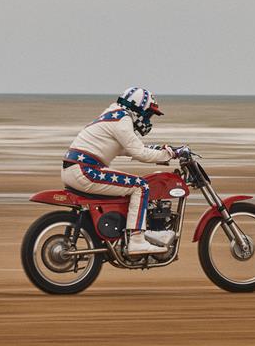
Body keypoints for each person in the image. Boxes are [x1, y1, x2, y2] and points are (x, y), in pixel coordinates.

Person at [61, 87, 185, 255]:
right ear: (138, 107)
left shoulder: (114, 115)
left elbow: (129, 148)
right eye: (148, 113)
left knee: (130, 188)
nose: (148, 119)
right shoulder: (123, 120)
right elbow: (139, 152)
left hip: (75, 169)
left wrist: (164, 151)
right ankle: (136, 240)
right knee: (141, 186)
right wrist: (171, 154)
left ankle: (123, 234)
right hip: (85, 170)